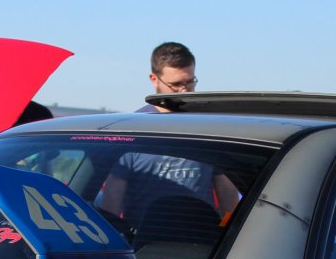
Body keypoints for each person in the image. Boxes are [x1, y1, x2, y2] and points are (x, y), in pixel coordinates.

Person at [98, 42, 238, 223]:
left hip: (202, 243)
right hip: (145, 244)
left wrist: (228, 228)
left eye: (190, 82)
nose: (184, 90)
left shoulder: (208, 129)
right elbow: (112, 200)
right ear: (154, 79)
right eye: (176, 84)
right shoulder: (132, 132)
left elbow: (227, 192)